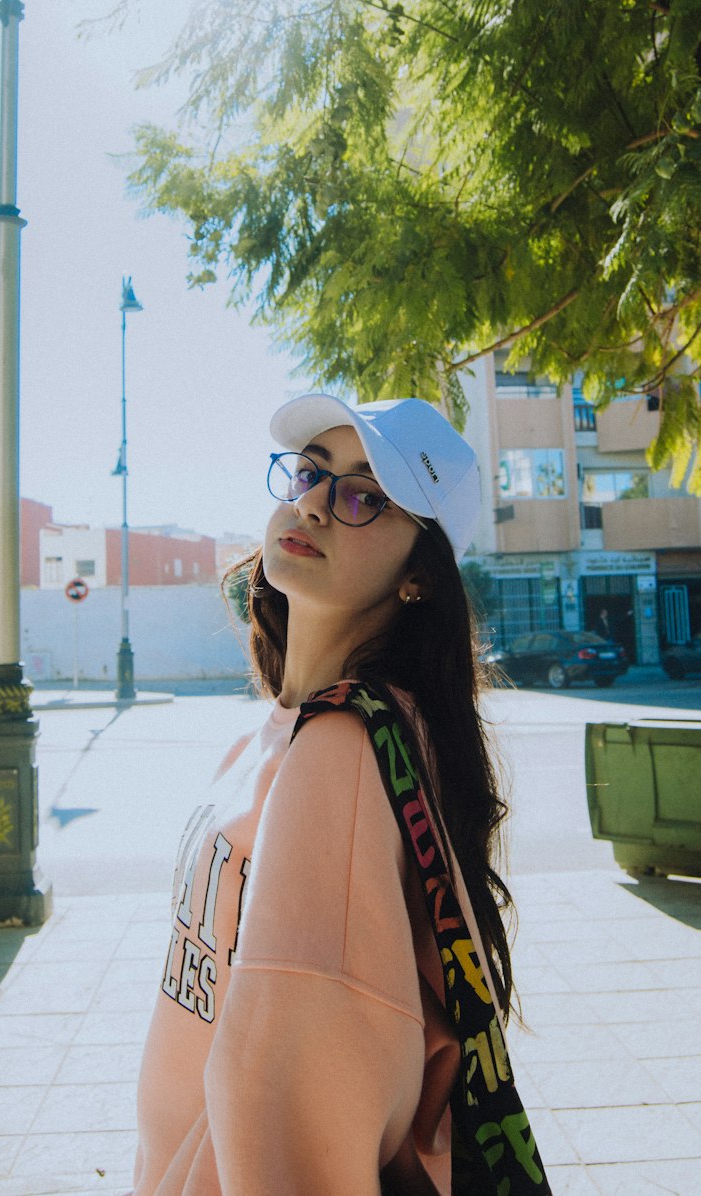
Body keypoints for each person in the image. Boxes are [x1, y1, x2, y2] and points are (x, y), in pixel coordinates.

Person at [128, 394, 547, 1195]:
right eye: (312, 473)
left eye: (364, 497)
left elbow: (291, 1104)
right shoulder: (291, 731)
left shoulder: (341, 757)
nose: (314, 503)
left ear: (420, 578)